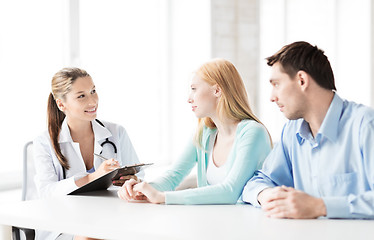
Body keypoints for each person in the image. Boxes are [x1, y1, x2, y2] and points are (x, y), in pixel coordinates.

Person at [242, 41, 374, 219]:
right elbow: (258, 182)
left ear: (302, 80)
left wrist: (320, 206)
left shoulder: (365, 125)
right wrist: (267, 196)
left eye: (276, 84)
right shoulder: (291, 131)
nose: (272, 97)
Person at [117, 58, 272, 204]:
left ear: (217, 90)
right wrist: (139, 189)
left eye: (194, 89)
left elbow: (231, 191)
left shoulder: (252, 132)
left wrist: (162, 197)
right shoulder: (205, 132)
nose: (189, 98)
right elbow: (173, 176)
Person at [33, 67, 141, 240]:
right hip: (64, 225)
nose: (93, 101)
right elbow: (47, 192)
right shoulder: (44, 142)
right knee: (93, 236)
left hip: (110, 218)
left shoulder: (117, 132)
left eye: (93, 91)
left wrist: (132, 182)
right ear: (61, 104)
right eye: (81, 96)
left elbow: (140, 177)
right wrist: (93, 177)